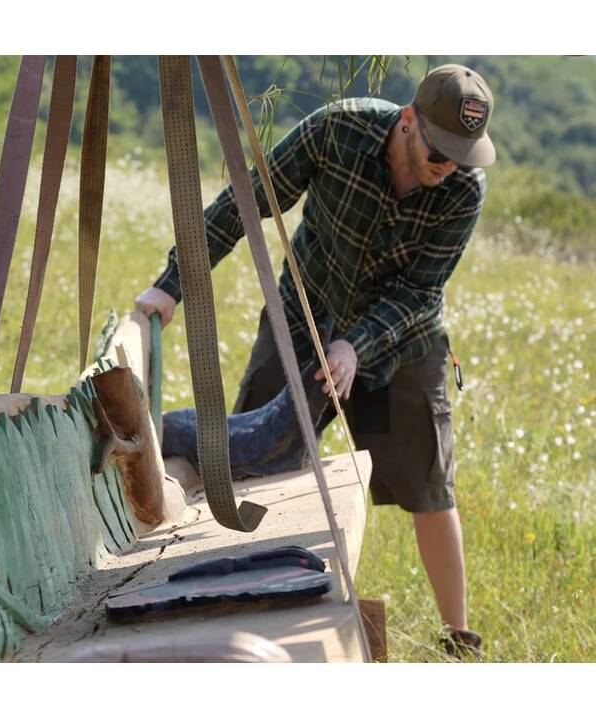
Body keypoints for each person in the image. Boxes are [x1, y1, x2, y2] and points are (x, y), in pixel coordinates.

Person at [136, 64, 496, 657]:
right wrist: (172, 285)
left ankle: (458, 639)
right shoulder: (336, 130)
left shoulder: (463, 191)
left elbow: (420, 292)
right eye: (441, 152)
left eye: (464, 156)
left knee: (429, 487)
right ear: (408, 122)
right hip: (304, 313)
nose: (449, 166)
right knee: (246, 456)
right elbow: (246, 202)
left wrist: (355, 346)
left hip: (400, 340)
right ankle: (230, 603)